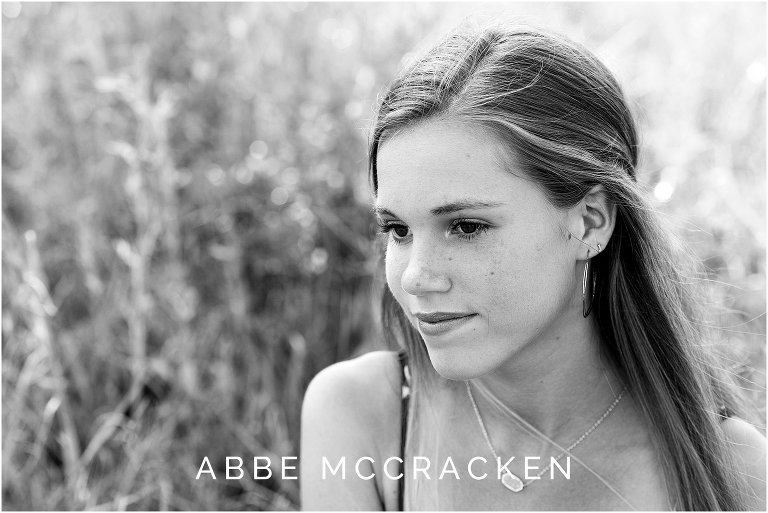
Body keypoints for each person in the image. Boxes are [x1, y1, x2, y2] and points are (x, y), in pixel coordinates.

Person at [300, 22, 766, 511]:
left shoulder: (733, 474)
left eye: (466, 227)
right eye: (398, 230)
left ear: (589, 223)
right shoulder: (364, 415)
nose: (417, 275)